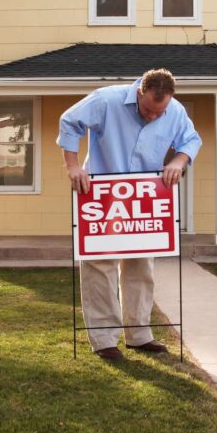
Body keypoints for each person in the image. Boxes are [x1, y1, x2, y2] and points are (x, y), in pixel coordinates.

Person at [57, 68, 202, 361]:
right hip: (101, 194)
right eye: (148, 109)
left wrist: (179, 160)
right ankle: (104, 339)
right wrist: (72, 166)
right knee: (101, 266)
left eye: (158, 113)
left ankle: (139, 335)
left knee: (141, 266)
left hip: (143, 198)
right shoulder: (106, 100)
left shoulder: (174, 110)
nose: (152, 116)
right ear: (139, 93)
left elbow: (191, 139)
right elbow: (69, 121)